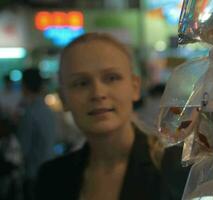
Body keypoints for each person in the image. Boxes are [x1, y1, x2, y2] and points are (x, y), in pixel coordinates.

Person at [35, 33, 187, 200]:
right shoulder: (52, 178)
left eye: (111, 78)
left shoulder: (177, 169)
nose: (98, 93)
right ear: (63, 98)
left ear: (134, 87)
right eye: (81, 83)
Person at [16, 68, 58, 199]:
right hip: (50, 171)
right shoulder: (48, 111)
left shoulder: (30, 113)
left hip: (34, 173)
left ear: (24, 86)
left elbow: (24, 148)